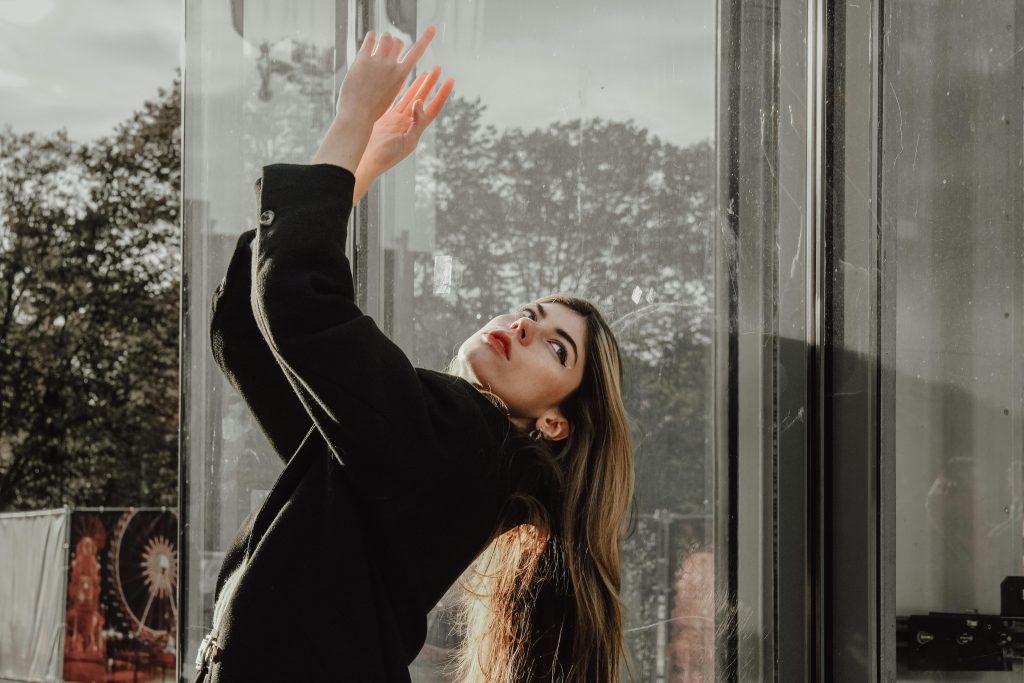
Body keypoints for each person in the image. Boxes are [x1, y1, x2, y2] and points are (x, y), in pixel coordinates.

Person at [198, 26, 634, 683]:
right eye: (528, 313)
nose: (521, 327)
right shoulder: (419, 449)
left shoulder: (466, 441)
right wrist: (363, 161)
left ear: (554, 421)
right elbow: (249, 331)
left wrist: (353, 123)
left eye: (554, 346)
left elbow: (296, 307)